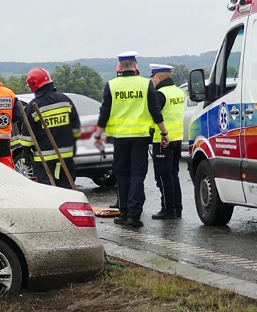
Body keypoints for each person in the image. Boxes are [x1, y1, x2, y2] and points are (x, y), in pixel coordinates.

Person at [94, 52, 169, 228]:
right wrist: (164, 133)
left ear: (120, 67)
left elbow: (104, 112)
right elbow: (155, 110)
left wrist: (98, 135)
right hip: (140, 138)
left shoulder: (111, 86)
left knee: (122, 175)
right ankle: (134, 216)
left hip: (119, 138)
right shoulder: (145, 84)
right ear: (135, 65)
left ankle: (125, 212)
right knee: (137, 175)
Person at [18, 68, 81, 189]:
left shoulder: (33, 106)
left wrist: (26, 154)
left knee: (48, 190)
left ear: (33, 84)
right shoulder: (65, 100)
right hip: (66, 156)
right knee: (68, 188)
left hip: (44, 159)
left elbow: (27, 138)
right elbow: (76, 128)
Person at [148, 64, 185, 219]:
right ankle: (177, 207)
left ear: (160, 77)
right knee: (173, 174)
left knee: (163, 176)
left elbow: (155, 115)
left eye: (154, 78)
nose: (152, 81)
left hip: (163, 140)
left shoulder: (161, 94)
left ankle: (167, 209)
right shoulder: (179, 91)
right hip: (177, 139)